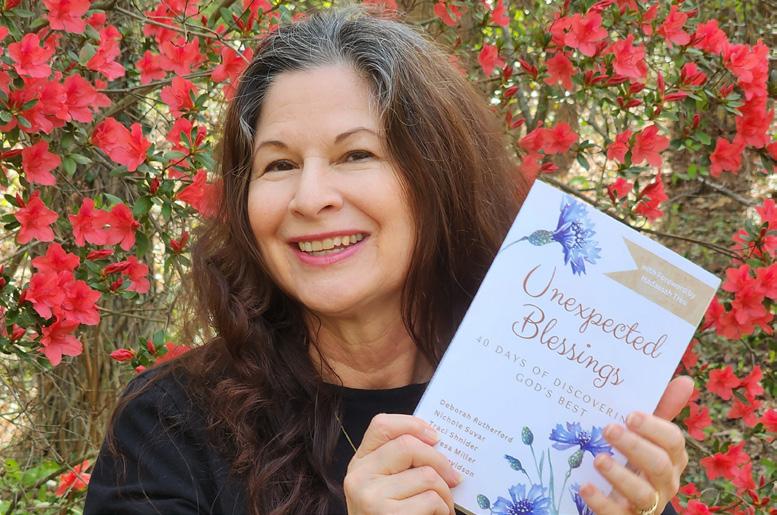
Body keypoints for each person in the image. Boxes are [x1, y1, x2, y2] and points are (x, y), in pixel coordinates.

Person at [85, 7, 690, 515]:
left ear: (439, 179)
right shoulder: (168, 426)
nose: (310, 197)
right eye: (279, 164)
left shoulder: (555, 411)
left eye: (356, 155)